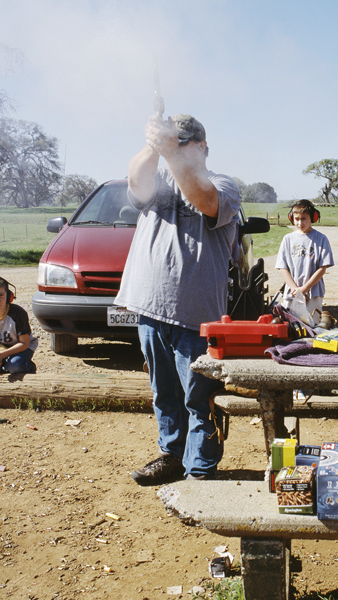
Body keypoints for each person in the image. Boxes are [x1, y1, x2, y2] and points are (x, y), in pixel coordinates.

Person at [117, 113, 241, 485]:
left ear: (202, 146)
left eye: (182, 143)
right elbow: (135, 180)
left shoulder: (223, 184)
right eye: (172, 142)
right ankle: (172, 455)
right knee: (165, 394)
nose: (177, 150)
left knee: (201, 397)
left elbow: (206, 201)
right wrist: (153, 144)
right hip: (150, 307)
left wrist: (170, 153)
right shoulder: (157, 179)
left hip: (198, 315)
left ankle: (200, 470)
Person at [275, 199, 334, 327]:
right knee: (291, 327)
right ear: (291, 218)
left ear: (313, 218)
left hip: (313, 293)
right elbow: (282, 267)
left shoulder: (321, 239)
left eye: (304, 219)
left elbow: (322, 268)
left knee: (313, 326)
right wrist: (295, 290)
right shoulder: (288, 239)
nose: (300, 223)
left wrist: (304, 289)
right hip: (292, 293)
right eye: (296, 219)